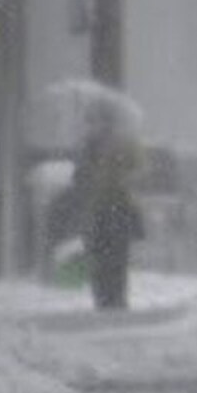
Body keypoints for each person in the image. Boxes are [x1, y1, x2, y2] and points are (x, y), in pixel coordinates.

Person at [74, 108, 143, 310]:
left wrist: (124, 179)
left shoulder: (124, 145)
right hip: (99, 207)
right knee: (101, 253)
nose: (99, 126)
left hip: (117, 205)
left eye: (103, 121)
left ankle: (114, 296)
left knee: (115, 254)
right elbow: (79, 176)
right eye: (96, 122)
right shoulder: (88, 146)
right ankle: (105, 297)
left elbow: (139, 170)